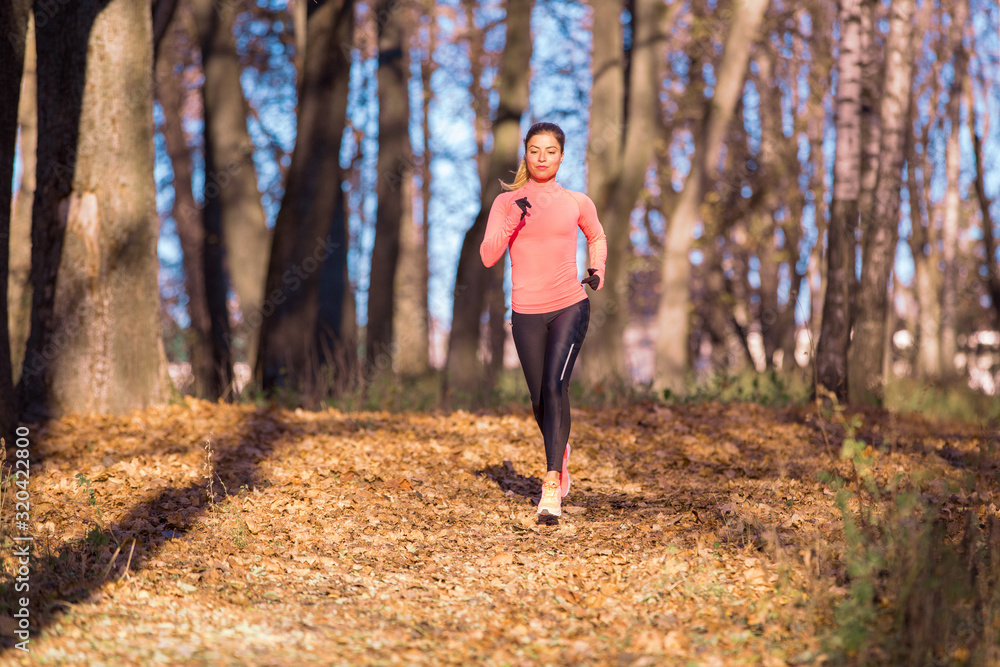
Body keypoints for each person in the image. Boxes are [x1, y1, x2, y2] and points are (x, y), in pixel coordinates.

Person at [480, 121, 607, 517]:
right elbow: (488, 255)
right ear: (526, 153)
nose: (542, 158)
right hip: (525, 312)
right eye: (535, 150)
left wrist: (597, 269)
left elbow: (597, 236)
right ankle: (560, 447)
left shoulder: (576, 201)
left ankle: (551, 484)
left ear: (562, 156)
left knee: (555, 385)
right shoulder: (507, 203)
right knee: (539, 400)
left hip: (570, 304)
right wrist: (513, 220)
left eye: (550, 151)